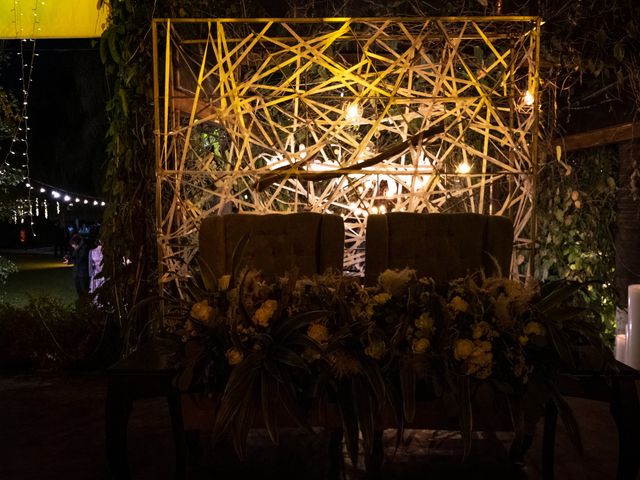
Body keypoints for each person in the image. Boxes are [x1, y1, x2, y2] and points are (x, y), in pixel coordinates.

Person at [69, 233, 90, 298]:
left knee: (85, 290)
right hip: (76, 273)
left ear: (78, 244)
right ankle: (82, 303)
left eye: (74, 245)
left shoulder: (85, 248)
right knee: (78, 290)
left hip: (83, 273)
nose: (73, 246)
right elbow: (74, 257)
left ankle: (87, 303)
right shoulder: (76, 249)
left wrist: (71, 261)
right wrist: (69, 259)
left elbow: (80, 259)